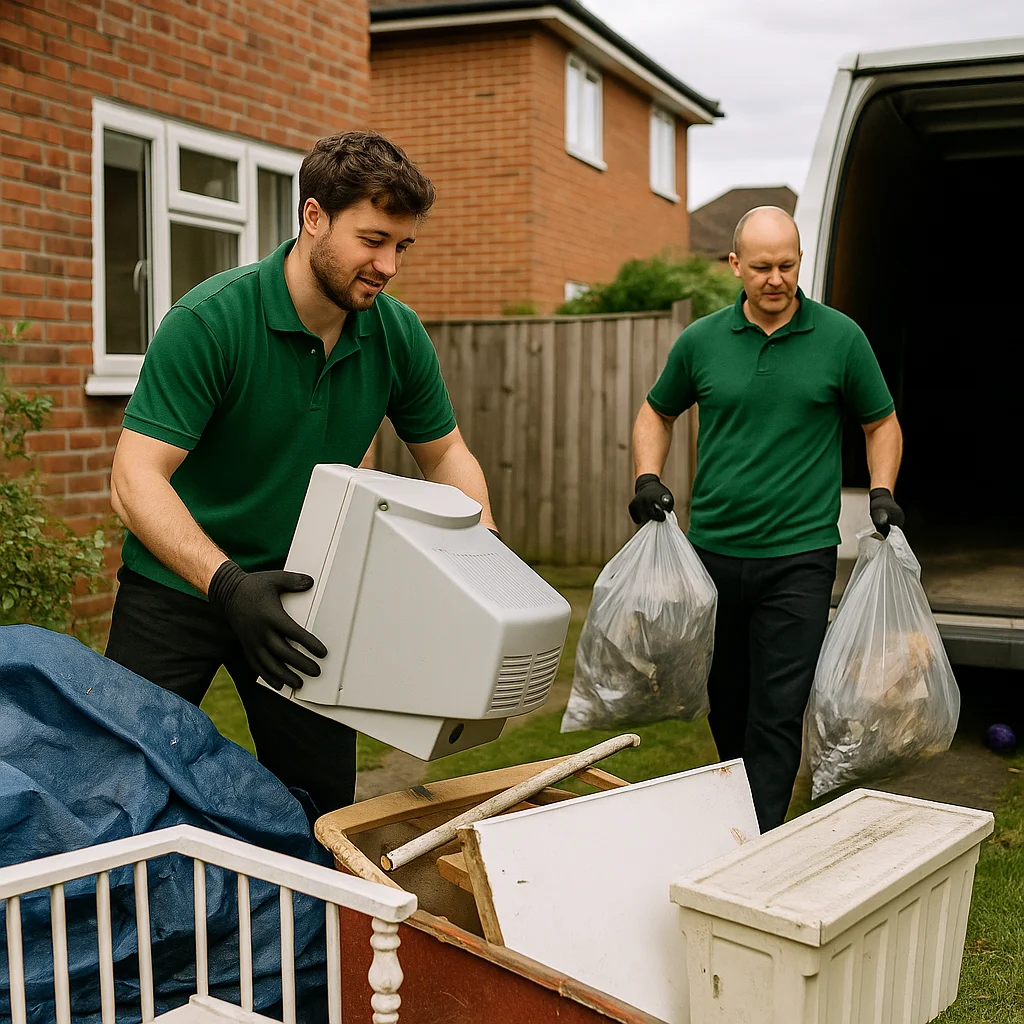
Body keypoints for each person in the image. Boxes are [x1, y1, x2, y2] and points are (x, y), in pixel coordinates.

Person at [105, 131, 498, 815]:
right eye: (372, 240)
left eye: (401, 246)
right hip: (178, 587)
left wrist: (486, 561)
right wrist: (227, 585)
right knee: (122, 785)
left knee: (322, 804)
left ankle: (311, 920)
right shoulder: (210, 321)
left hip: (303, 591)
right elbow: (135, 478)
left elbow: (446, 454)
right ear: (314, 216)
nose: (389, 265)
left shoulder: (394, 333)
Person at [628, 206, 903, 831]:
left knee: (778, 709)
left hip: (799, 557)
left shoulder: (841, 339)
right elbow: (656, 413)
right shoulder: (701, 341)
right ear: (734, 267)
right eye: (761, 267)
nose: (775, 279)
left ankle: (759, 837)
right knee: (726, 704)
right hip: (714, 552)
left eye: (787, 264)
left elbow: (880, 422)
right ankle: (745, 812)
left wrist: (882, 489)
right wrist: (647, 478)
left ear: (799, 262)